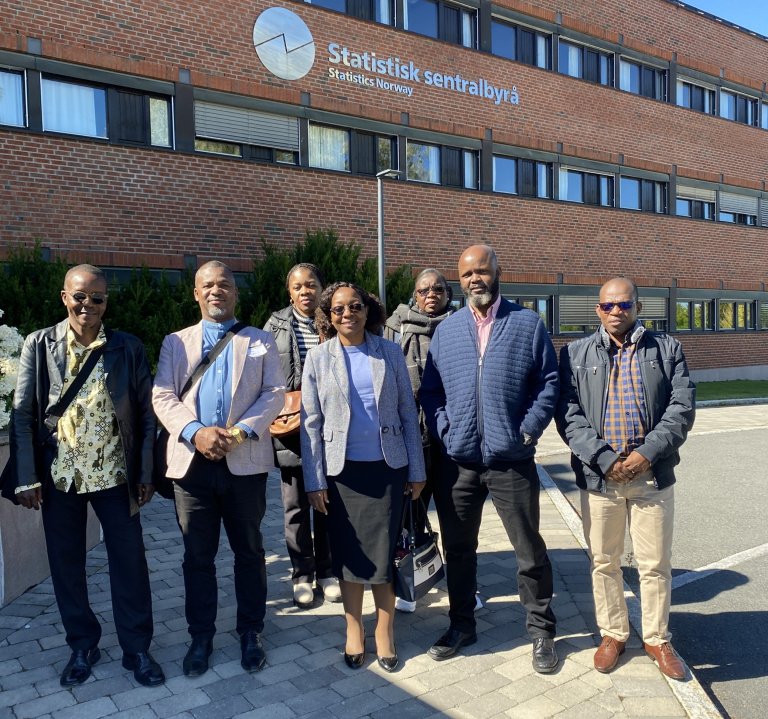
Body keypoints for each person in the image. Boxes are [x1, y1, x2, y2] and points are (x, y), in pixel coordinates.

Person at [7, 264, 164, 688]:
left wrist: (146, 471)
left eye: (97, 298)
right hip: (61, 480)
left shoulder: (127, 347)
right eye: (80, 296)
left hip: (116, 477)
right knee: (66, 565)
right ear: (64, 298)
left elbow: (147, 416)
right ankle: (82, 644)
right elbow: (22, 414)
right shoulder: (39, 345)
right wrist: (26, 477)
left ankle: (137, 648)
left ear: (106, 302)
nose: (88, 305)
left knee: (130, 564)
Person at [420, 244, 560, 673]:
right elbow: (432, 391)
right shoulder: (447, 330)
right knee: (459, 549)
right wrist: (446, 432)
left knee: (528, 549)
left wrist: (527, 429)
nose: (474, 280)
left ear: (498, 272)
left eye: (481, 271)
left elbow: (549, 382)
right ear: (457, 282)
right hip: (459, 462)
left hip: (510, 460)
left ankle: (541, 631)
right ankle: (462, 625)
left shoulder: (526, 323)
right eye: (466, 275)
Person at [556, 277, 695, 679]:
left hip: (651, 476)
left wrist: (646, 453)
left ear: (637, 307)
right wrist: (604, 459)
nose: (616, 311)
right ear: (597, 310)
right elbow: (567, 413)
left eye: (624, 305)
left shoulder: (666, 349)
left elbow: (681, 407)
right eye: (608, 305)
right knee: (604, 562)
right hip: (601, 479)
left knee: (655, 564)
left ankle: (656, 637)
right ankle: (613, 633)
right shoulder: (576, 353)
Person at [152, 261, 285, 677]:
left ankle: (250, 631)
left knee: (249, 552)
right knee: (197, 556)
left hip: (244, 463)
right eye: (207, 285)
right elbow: (162, 396)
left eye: (224, 284)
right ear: (196, 293)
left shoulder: (260, 340)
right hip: (192, 468)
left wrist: (241, 433)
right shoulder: (175, 342)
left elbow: (275, 392)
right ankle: (201, 635)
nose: (216, 291)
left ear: (235, 292)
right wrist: (195, 432)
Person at [301, 282, 426, 673]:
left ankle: (385, 633)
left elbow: (409, 413)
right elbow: (311, 423)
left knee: (385, 557)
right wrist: (314, 480)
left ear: (367, 309)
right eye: (337, 310)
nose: (347, 314)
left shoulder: (388, 351)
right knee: (350, 557)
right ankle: (354, 630)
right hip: (341, 475)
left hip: (387, 470)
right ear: (329, 315)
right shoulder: (319, 358)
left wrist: (416, 470)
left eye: (354, 306)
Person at [263, 263, 341, 608]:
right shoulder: (275, 325)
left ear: (321, 287)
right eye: (297, 287)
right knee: (294, 506)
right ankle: (301, 575)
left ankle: (327, 571)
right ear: (289, 292)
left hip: (331, 425)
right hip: (290, 426)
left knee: (326, 503)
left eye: (310, 285)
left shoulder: (334, 319)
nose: (304, 292)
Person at [383, 268, 456, 614]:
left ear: (448, 294)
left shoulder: (461, 326)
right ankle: (409, 584)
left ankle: (461, 585)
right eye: (424, 289)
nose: (431, 294)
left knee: (457, 517)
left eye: (438, 289)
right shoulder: (396, 327)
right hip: (412, 436)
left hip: (454, 437)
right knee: (410, 514)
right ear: (414, 294)